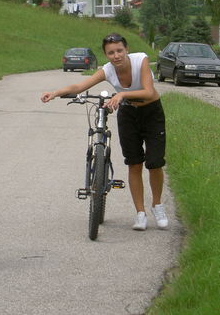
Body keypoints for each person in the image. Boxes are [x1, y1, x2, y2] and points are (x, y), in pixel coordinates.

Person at [41, 33, 168, 230]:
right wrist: (56, 93)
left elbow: (149, 92)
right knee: (134, 163)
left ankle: (157, 205)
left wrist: (122, 94)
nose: (116, 55)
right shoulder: (108, 70)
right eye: (111, 52)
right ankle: (140, 213)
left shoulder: (140, 60)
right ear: (105, 54)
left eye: (119, 50)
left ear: (126, 49)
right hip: (128, 114)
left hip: (152, 113)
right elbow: (79, 86)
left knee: (154, 163)